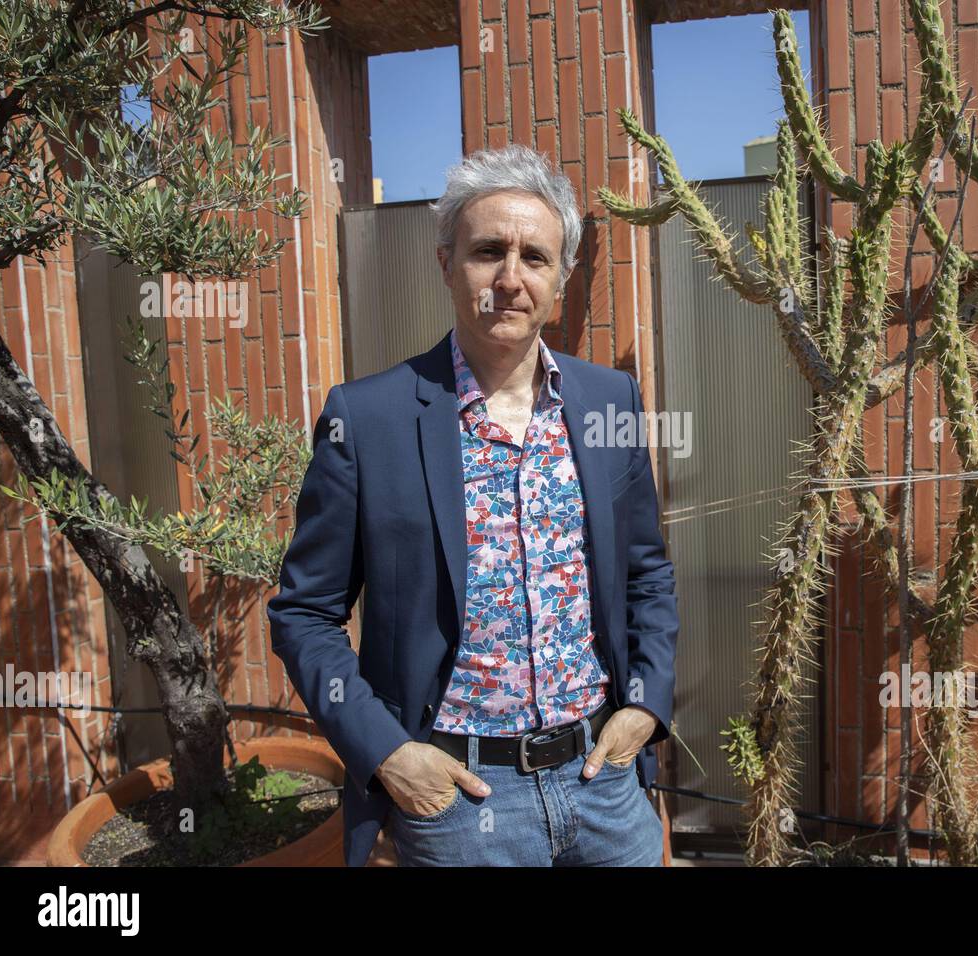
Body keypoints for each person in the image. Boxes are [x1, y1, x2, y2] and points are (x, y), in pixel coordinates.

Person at [267, 143, 678, 866]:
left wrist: (645, 704)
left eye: (535, 257)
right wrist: (387, 752)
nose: (510, 279)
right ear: (446, 263)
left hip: (604, 781)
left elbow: (647, 573)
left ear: (561, 277)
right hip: (459, 804)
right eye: (489, 251)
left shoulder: (609, 402)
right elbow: (305, 611)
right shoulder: (368, 419)